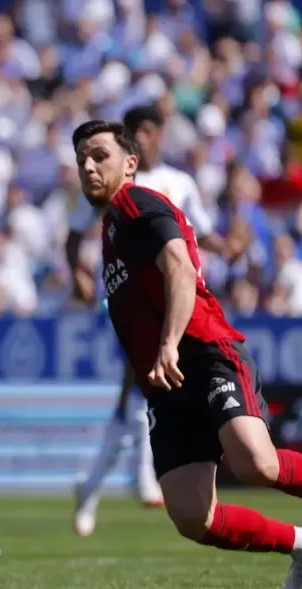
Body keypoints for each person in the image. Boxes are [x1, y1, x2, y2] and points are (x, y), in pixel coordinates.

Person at [73, 118, 302, 589]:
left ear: (130, 164)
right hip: (166, 384)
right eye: (81, 160)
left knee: (255, 462)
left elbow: (178, 264)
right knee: (195, 518)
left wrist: (169, 341)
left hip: (204, 349)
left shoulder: (136, 203)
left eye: (99, 156)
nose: (88, 166)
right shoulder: (110, 228)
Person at [66, 105, 232, 537]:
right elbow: (75, 230)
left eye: (148, 131)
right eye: (134, 130)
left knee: (136, 396)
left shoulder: (179, 183)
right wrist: (79, 276)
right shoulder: (110, 176)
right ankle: (141, 477)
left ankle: (91, 489)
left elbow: (199, 230)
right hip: (136, 297)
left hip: (181, 297)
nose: (142, 136)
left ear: (158, 136)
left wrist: (227, 247)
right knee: (139, 385)